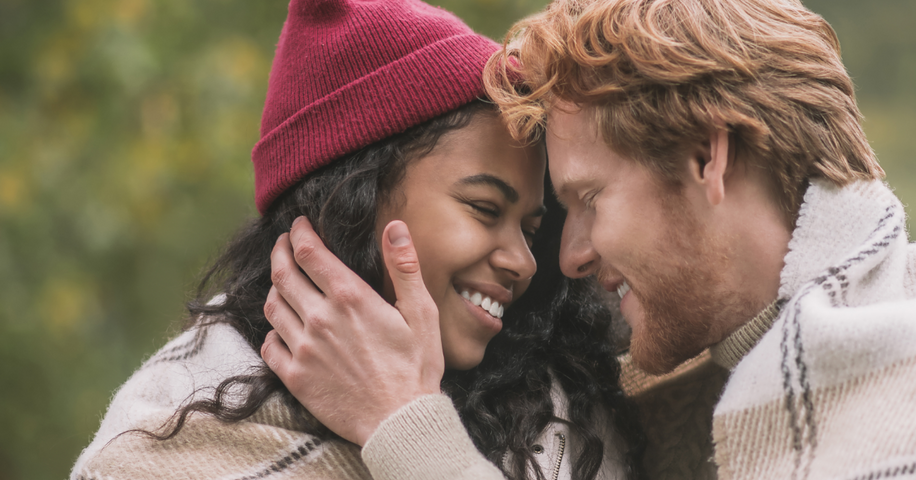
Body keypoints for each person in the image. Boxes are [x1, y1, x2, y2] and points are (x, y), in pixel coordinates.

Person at [264, 0, 916, 478]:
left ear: (705, 158)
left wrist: (405, 428)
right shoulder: (692, 396)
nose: (570, 257)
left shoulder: (893, 414)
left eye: (590, 199)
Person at [70, 1, 645, 479]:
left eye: (531, 230)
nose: (521, 260)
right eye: (484, 208)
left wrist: (407, 423)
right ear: (352, 201)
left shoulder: (567, 413)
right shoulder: (166, 443)